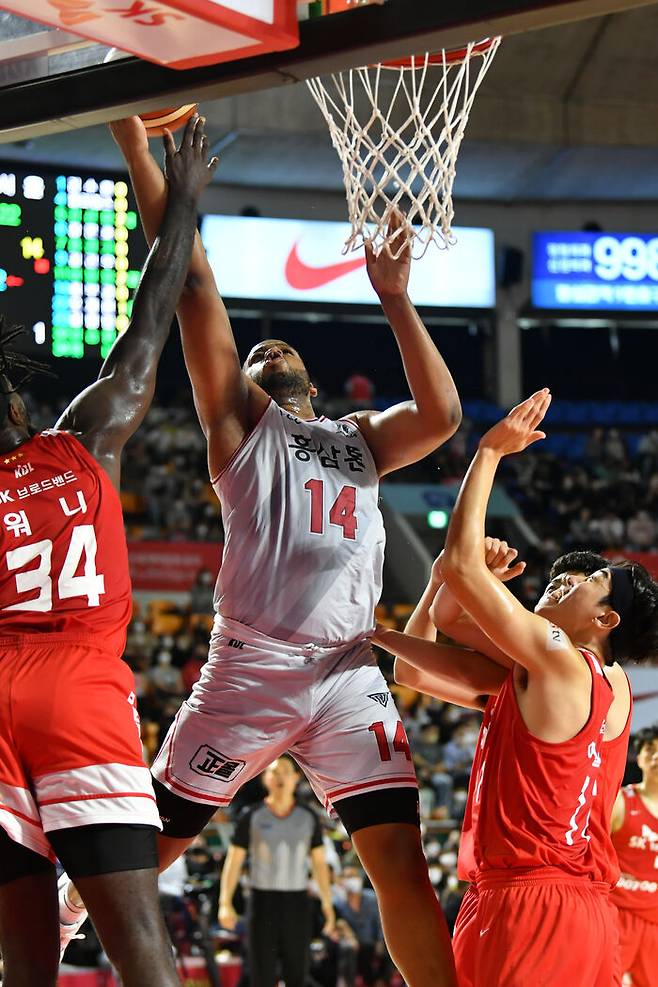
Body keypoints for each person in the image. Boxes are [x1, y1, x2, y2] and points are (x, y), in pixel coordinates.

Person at [83, 113, 465, 987]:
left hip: (346, 671)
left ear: (314, 381)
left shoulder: (359, 436)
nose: (267, 351)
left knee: (399, 859)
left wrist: (396, 299)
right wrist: (141, 155)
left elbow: (441, 418)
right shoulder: (239, 428)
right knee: (156, 839)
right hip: (249, 671)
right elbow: (194, 287)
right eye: (255, 353)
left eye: (280, 346)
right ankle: (68, 908)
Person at [0, 116, 217, 987]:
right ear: (20, 410)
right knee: (140, 947)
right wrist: (186, 200)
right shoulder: (83, 439)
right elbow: (151, 317)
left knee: (25, 960)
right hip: (79, 685)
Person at [374, 390, 658, 987]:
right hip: (574, 907)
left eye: (587, 581)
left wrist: (488, 453)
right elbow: (424, 660)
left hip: (530, 904)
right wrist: (388, 624)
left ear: (606, 620)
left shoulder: (560, 666)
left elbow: (462, 568)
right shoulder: (582, 684)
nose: (562, 584)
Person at [218, 755, 334, 987]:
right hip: (262, 903)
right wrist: (225, 902)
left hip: (297, 903)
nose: (279, 777)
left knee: (297, 973)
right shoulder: (251, 815)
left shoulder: (308, 817)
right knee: (261, 973)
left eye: (285, 772)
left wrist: (327, 904)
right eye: (274, 772)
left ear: (295, 778)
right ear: (265, 779)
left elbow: (320, 865)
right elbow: (234, 860)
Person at [610, 725, 658, 987]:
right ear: (638, 758)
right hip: (617, 914)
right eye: (650, 750)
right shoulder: (620, 801)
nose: (656, 757)